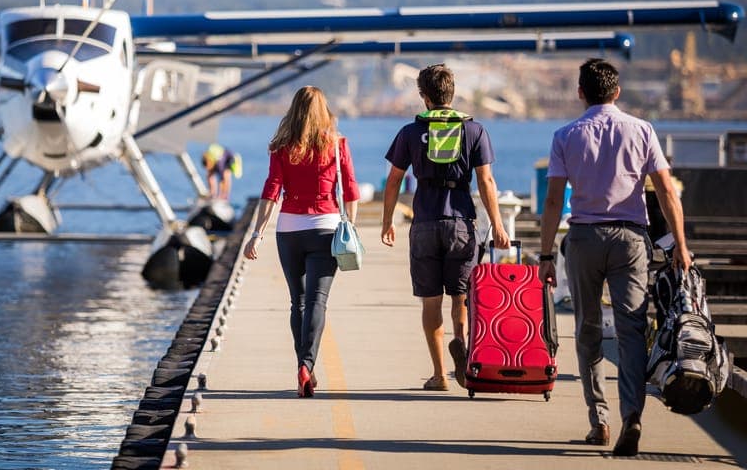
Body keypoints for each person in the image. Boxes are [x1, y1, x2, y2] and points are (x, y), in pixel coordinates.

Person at [538, 58, 691, 457]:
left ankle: (600, 421)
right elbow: (666, 192)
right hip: (630, 241)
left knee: (588, 330)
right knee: (631, 331)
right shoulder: (642, 130)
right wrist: (682, 246)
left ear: (580, 92)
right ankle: (632, 416)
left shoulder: (565, 135)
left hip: (585, 238)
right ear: (617, 92)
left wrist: (545, 254)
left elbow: (554, 199)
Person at [381, 63, 510, 391]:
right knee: (460, 297)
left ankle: (439, 375)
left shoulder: (411, 132)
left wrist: (387, 222)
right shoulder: (474, 130)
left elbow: (394, 179)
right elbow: (486, 180)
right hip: (461, 223)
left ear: (423, 97)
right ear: (453, 93)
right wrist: (497, 225)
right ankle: (461, 343)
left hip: (424, 222)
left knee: (430, 301)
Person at [243, 86, 360, 398]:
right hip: (326, 227)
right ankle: (306, 365)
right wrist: (351, 227)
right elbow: (350, 191)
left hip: (289, 229)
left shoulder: (282, 147)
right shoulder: (338, 145)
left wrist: (257, 234)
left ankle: (303, 366)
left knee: (298, 301)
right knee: (317, 301)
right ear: (325, 111)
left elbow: (271, 191)